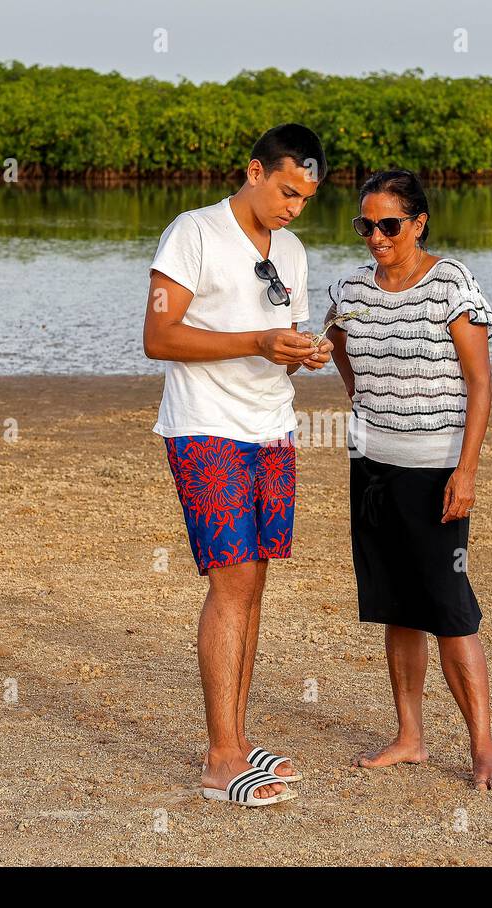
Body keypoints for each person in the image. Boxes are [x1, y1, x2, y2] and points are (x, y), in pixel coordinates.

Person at [143, 124, 333, 806]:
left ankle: (239, 739)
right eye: (286, 190)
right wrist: (255, 339)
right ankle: (220, 758)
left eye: (306, 198)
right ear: (254, 171)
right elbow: (158, 337)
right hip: (206, 428)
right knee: (230, 585)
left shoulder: (293, 250)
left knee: (253, 584)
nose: (293, 207)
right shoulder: (191, 233)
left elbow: (287, 336)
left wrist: (303, 353)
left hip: (272, 429)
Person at [324, 169, 492, 790]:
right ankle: (410, 737)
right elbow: (336, 342)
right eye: (365, 225)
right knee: (397, 608)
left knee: (451, 611)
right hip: (373, 469)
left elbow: (481, 384)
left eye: (388, 225)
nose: (375, 237)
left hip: (437, 472)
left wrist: (466, 471)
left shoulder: (450, 283)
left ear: (418, 223)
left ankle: (483, 748)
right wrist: (362, 401)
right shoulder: (351, 287)